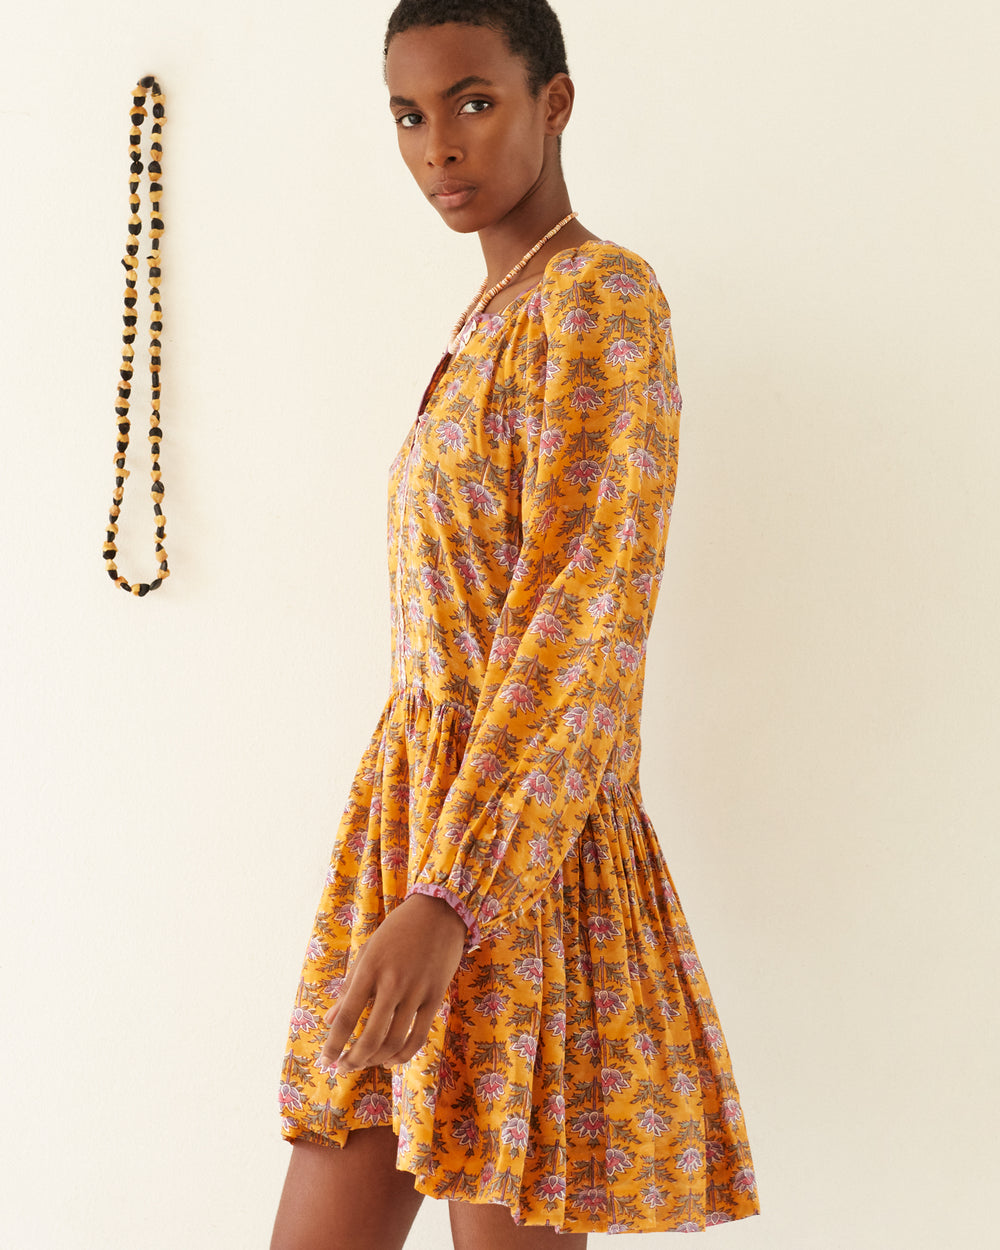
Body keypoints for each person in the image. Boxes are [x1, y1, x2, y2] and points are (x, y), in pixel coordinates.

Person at [270, 3, 760, 1246]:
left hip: (510, 859)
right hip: (412, 835)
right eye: (409, 115)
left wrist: (457, 892)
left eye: (473, 101)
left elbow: (580, 618)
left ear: (555, 103)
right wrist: (416, 875)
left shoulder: (601, 299)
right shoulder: (484, 323)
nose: (439, 146)